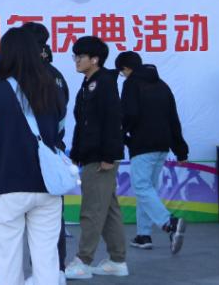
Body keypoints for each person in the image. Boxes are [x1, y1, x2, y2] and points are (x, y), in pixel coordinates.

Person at [0, 27, 65, 285]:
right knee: (47, 258)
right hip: (48, 184)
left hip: (8, 183)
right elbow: (59, 133)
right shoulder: (53, 87)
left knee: (7, 259)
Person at [63, 35, 128, 280]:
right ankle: (117, 260)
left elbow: (113, 121)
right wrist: (76, 153)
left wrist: (109, 156)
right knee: (108, 209)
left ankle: (83, 261)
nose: (76, 60)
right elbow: (83, 123)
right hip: (91, 155)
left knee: (91, 209)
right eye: (75, 56)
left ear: (95, 59)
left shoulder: (105, 83)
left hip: (102, 157)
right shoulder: (88, 83)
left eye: (80, 56)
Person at [115, 51, 188, 254]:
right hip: (162, 145)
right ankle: (143, 235)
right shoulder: (162, 85)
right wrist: (181, 150)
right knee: (148, 190)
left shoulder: (131, 84)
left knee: (142, 188)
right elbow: (173, 119)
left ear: (126, 68)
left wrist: (120, 135)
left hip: (142, 144)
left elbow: (129, 114)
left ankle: (169, 223)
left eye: (122, 72)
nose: (123, 76)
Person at [22, 21, 70, 279]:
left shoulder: (24, 76)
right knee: (51, 217)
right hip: (53, 152)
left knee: (32, 218)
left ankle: (45, 273)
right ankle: (56, 271)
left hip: (30, 155)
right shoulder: (56, 75)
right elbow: (61, 118)